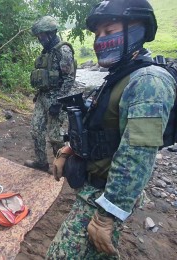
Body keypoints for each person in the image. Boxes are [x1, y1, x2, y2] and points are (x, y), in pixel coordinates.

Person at [47, 0, 176, 258]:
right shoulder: (119, 76)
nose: (100, 40)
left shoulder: (148, 81)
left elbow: (137, 156)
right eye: (97, 34)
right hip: (95, 186)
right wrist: (67, 151)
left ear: (138, 29)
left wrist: (107, 215)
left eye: (109, 31)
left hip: (108, 193)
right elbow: (102, 128)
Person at [25, 16, 76, 172]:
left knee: (55, 137)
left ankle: (61, 166)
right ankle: (41, 162)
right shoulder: (46, 51)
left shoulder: (63, 50)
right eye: (38, 35)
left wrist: (59, 102)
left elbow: (69, 79)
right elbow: (45, 76)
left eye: (42, 35)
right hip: (43, 97)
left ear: (52, 33)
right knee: (36, 129)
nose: (40, 38)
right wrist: (38, 94)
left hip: (57, 99)